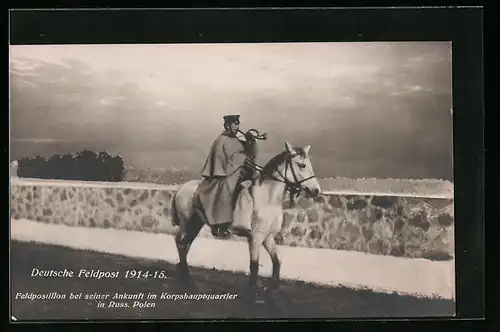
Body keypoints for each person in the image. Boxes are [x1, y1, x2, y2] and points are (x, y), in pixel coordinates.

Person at [197, 114, 258, 238]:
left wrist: (250, 142)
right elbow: (219, 160)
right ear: (227, 125)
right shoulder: (220, 140)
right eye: (234, 124)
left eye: (238, 124)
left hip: (241, 171)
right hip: (225, 173)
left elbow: (249, 155)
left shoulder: (237, 140)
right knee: (226, 189)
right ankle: (221, 225)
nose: (237, 126)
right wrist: (239, 161)